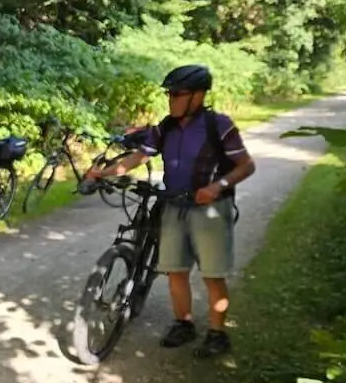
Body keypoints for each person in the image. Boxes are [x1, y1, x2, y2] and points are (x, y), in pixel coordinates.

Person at [86, 64, 255, 358]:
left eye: (178, 93)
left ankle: (218, 333)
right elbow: (139, 157)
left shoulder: (219, 125)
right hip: (174, 206)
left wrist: (218, 186)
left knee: (212, 275)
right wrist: (105, 173)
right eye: (169, 93)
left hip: (211, 209)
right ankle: (183, 323)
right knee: (175, 272)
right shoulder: (165, 127)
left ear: (198, 96)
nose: (171, 99)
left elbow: (246, 165)